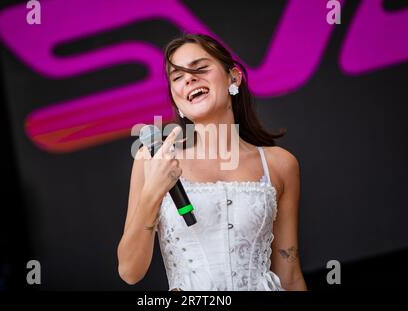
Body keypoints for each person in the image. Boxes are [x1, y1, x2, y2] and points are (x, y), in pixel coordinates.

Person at [117, 34, 307, 291]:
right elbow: (130, 271)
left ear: (234, 77)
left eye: (199, 68)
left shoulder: (280, 164)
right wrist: (153, 191)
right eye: (177, 77)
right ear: (176, 99)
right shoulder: (153, 160)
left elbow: (290, 274)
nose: (189, 79)